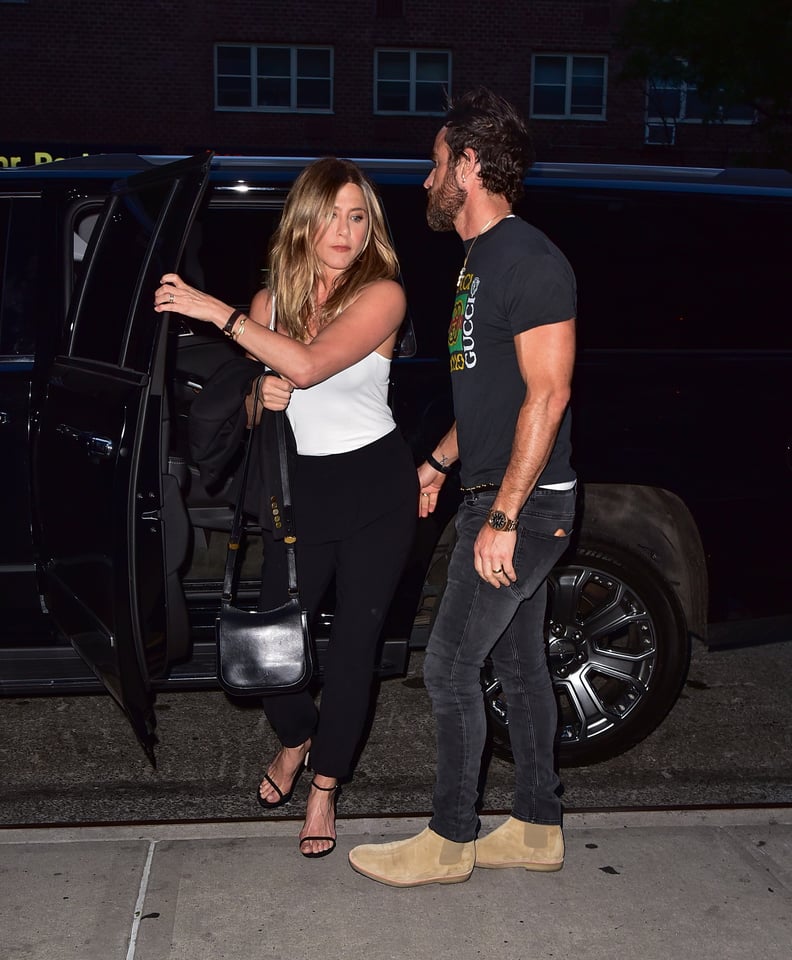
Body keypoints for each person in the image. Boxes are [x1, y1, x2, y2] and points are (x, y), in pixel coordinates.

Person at [154, 158, 417, 858]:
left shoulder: (382, 295)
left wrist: (216, 313)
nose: (345, 229)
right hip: (298, 494)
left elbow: (308, 365)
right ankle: (297, 737)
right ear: (304, 220)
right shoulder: (270, 304)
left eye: (358, 216)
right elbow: (256, 401)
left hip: (374, 492)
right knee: (273, 652)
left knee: (354, 650)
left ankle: (325, 787)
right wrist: (255, 400)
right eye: (331, 213)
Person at [348, 87, 577, 886]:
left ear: (470, 166)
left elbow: (548, 395)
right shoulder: (480, 263)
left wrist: (505, 513)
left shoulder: (532, 261)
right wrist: (440, 463)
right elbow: (493, 395)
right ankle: (538, 827)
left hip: (526, 503)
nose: (426, 180)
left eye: (437, 162)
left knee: (446, 665)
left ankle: (449, 840)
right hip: (494, 491)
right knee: (517, 667)